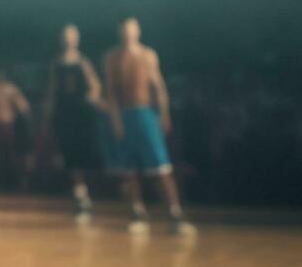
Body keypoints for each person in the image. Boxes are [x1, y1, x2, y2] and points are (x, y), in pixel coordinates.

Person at [101, 17, 194, 235]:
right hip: (124, 115)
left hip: (145, 114)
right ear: (119, 32)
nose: (128, 33)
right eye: (124, 29)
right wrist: (115, 119)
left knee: (161, 167)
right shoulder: (111, 58)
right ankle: (137, 211)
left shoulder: (148, 55)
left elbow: (158, 86)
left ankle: (175, 213)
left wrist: (163, 113)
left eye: (131, 29)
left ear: (138, 31)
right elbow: (111, 92)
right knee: (128, 169)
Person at [42, 23, 103, 219]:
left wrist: (91, 99)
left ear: (76, 39)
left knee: (84, 153)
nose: (68, 39)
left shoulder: (83, 62)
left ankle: (87, 195)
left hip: (81, 114)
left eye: (72, 35)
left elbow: (95, 85)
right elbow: (51, 91)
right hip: (64, 114)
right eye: (65, 35)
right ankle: (80, 195)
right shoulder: (56, 63)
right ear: (62, 39)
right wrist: (47, 115)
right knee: (69, 154)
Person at [0, 68, 31, 192]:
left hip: (8, 125)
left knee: (11, 154)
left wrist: (24, 124)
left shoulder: (10, 89)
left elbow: (23, 107)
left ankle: (18, 182)